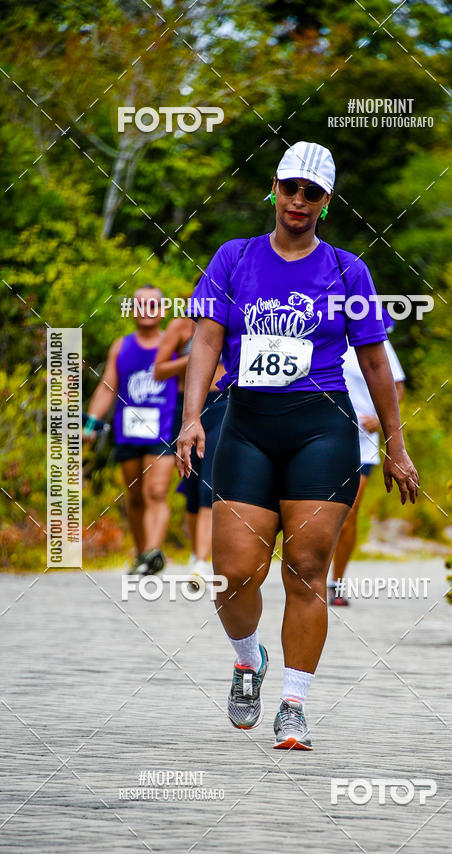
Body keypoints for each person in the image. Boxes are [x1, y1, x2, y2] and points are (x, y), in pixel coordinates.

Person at [177, 141, 419, 750]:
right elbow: (206, 341)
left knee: (306, 571)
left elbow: (375, 364)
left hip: (322, 427)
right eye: (291, 188)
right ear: (276, 190)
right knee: (234, 574)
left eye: (312, 193)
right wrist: (191, 418)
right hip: (246, 424)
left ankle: (294, 704)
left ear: (326, 203)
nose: (299, 201)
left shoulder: (346, 270)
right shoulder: (234, 259)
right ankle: (245, 659)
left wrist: (396, 443)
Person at [85, 286, 190, 576]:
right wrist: (92, 421)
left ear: (163, 310)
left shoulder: (173, 343)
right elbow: (108, 386)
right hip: (129, 431)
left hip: (165, 428)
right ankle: (143, 554)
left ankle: (153, 553)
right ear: (132, 310)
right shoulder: (121, 346)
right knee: (134, 495)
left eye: (153, 305)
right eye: (140, 305)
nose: (146, 310)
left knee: (155, 492)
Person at [328, 338, 406, 606]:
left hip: (361, 444)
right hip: (318, 438)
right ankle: (308, 577)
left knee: (348, 513)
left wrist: (378, 418)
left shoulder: (370, 334)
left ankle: (336, 583)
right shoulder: (319, 326)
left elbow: (397, 386)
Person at [154, 322, 227, 581]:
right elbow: (159, 371)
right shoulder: (181, 327)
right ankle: (196, 556)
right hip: (189, 408)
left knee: (210, 482)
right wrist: (195, 359)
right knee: (192, 483)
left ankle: (202, 561)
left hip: (224, 403)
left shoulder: (234, 317)